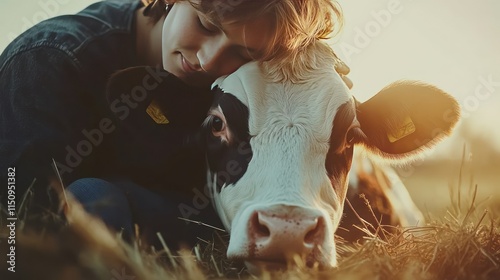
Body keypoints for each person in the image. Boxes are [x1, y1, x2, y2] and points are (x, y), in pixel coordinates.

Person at [0, 0, 350, 248]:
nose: (209, 59)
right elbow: (21, 218)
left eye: (244, 52)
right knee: (91, 196)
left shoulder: (236, 84)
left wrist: (318, 75)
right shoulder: (50, 61)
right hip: (109, 219)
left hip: (177, 216)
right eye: (207, 25)